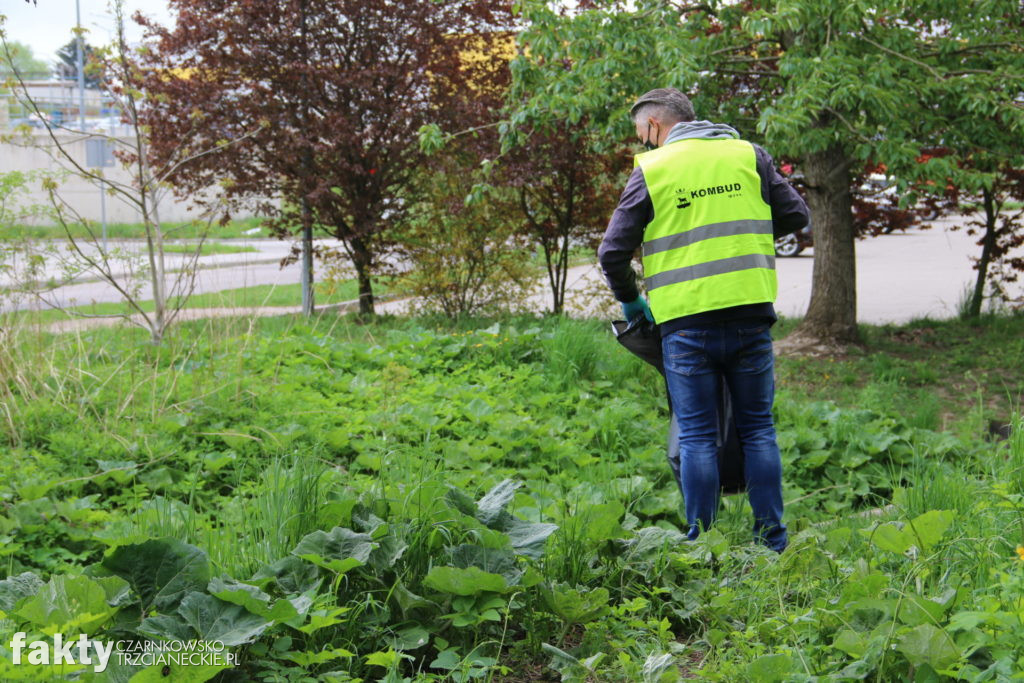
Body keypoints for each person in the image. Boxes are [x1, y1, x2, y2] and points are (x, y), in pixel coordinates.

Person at [598, 88, 809, 553]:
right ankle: (772, 540)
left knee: (696, 434)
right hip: (750, 312)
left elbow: (612, 252)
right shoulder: (748, 156)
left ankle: (702, 542)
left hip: (685, 322)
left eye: (643, 135)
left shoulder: (654, 169)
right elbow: (796, 215)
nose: (645, 144)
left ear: (655, 125)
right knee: (758, 429)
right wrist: (743, 228)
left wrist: (632, 302)